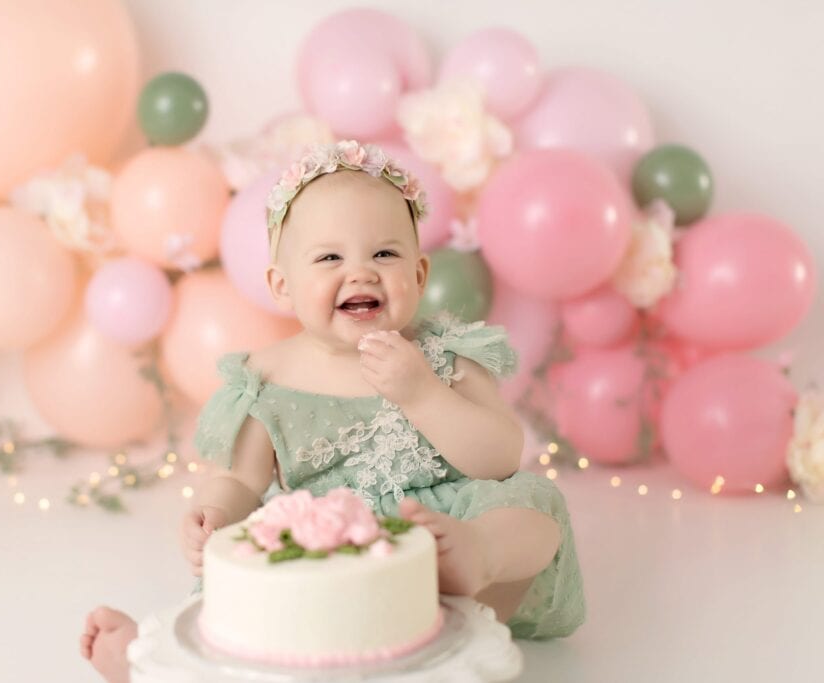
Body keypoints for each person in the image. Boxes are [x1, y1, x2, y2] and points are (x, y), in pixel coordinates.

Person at [81, 140, 585, 682]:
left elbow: (500, 456)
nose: (362, 273)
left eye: (384, 254)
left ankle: (479, 555)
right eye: (329, 258)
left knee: (534, 504)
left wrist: (423, 395)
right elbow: (237, 478)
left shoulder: (443, 357)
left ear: (419, 275)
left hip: (437, 542)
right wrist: (216, 515)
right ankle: (148, 663)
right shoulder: (265, 378)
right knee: (246, 600)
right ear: (282, 285)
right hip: (318, 553)